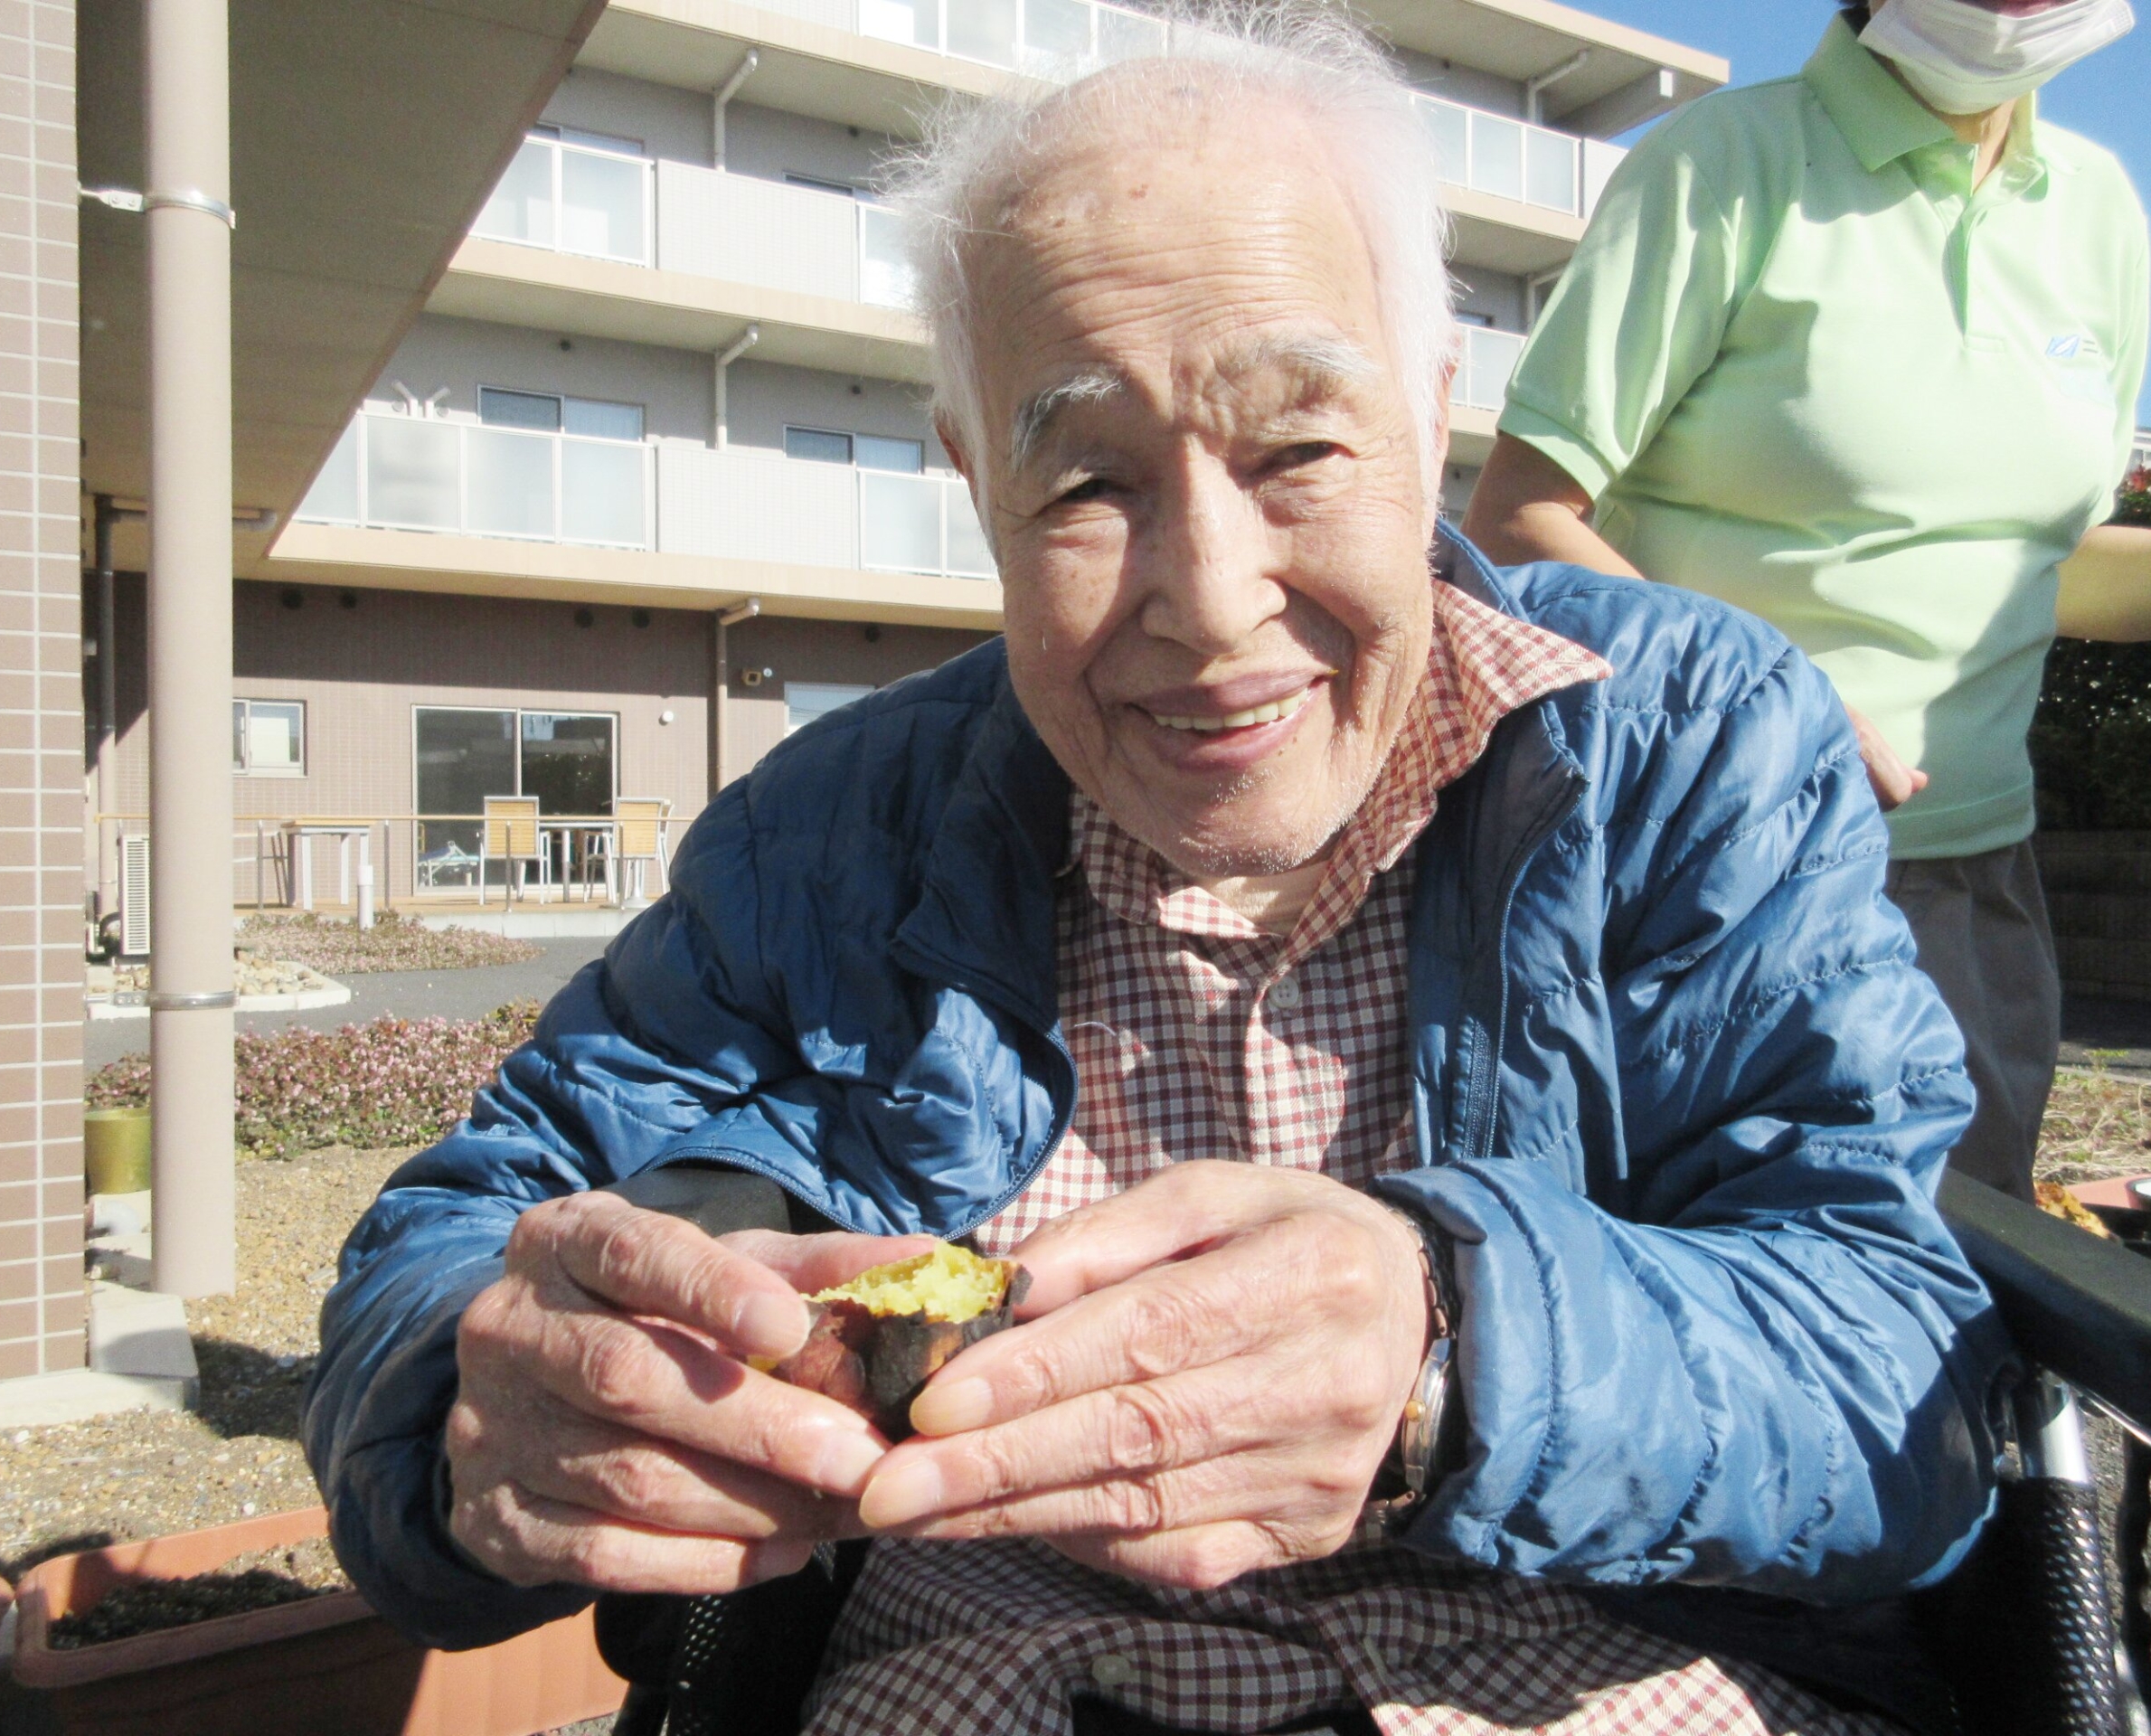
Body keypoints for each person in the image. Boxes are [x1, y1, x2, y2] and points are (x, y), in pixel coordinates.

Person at [305, 14, 2011, 1735]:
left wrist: (1459, 1348)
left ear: (1430, 418)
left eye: (1300, 451)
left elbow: (1897, 1362)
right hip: (990, 1675)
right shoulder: (827, 833)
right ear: (978, 485)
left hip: (1606, 1670)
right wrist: (481, 1390)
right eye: (1089, 480)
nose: (1207, 596)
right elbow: (467, 1226)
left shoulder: (1691, 745)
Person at [1463, 0, 2151, 1202]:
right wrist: (1773, 702)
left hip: (1974, 876)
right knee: (1719, 1299)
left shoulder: (2101, 216)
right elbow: (1517, 519)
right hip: (1712, 867)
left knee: (1958, 1313)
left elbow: (2041, 568)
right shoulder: (1723, 165)